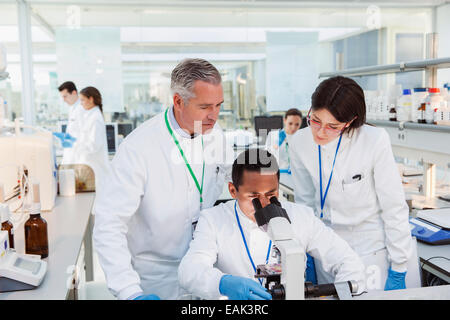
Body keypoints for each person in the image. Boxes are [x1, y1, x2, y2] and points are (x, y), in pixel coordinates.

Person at [93, 58, 234, 300]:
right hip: (154, 279)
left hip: (204, 270)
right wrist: (129, 292)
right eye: (205, 107)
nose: (214, 115)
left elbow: (237, 179)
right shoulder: (138, 147)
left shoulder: (215, 135)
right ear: (178, 101)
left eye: (219, 105)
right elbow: (108, 225)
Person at [178, 148, 365, 300]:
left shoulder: (300, 216)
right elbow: (190, 270)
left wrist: (342, 293)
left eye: (271, 195)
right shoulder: (213, 219)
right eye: (253, 197)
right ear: (233, 191)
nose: (264, 205)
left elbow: (347, 260)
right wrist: (221, 283)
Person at [289, 76, 413, 291]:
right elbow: (304, 203)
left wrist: (399, 267)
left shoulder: (373, 140)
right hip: (325, 249)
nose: (320, 132)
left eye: (332, 126)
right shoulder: (299, 142)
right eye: (315, 120)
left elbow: (394, 206)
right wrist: (304, 252)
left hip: (369, 250)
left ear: (350, 122)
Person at [70, 86, 109, 191]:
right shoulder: (90, 116)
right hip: (90, 168)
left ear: (91, 99)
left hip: (95, 170)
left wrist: (76, 146)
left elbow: (94, 145)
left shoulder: (95, 118)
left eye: (82, 100)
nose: (81, 103)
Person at [55, 81, 85, 164]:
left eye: (65, 96)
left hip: (79, 154)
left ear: (74, 93)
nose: (64, 100)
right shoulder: (73, 108)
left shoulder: (82, 109)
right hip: (73, 152)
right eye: (62, 97)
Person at [265, 108, 302, 173]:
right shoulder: (273, 135)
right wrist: (276, 145)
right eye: (290, 123)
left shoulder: (301, 138)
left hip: (296, 176)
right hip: (277, 175)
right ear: (285, 120)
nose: (293, 127)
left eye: (297, 124)